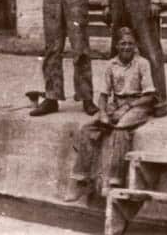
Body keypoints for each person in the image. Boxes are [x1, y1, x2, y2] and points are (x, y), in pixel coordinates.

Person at [67, 27, 155, 202]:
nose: (126, 47)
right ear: (116, 46)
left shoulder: (142, 63)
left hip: (138, 104)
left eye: (130, 44)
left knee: (120, 130)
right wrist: (102, 112)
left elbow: (149, 95)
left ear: (135, 45)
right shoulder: (111, 64)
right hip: (116, 104)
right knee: (89, 129)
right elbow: (104, 95)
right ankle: (81, 180)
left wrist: (128, 106)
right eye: (123, 43)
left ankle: (114, 183)